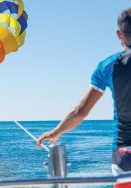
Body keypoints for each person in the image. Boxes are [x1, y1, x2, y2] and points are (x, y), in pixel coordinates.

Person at [37, 8, 131, 176]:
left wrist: (55, 131)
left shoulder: (108, 66)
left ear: (119, 34)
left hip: (125, 156)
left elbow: (81, 111)